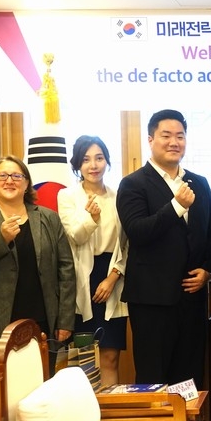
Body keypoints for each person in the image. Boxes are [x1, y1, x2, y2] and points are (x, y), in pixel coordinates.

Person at [116, 109, 211, 387]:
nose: (174, 142)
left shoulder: (199, 183)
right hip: (152, 300)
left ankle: (188, 418)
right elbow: (138, 232)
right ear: (151, 139)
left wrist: (208, 270)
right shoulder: (132, 184)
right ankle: (155, 419)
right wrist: (176, 206)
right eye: (166, 136)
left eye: (180, 136)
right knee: (153, 376)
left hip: (192, 298)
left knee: (190, 378)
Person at [57, 136, 128, 387]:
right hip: (80, 280)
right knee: (83, 359)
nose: (93, 165)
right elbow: (74, 236)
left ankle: (110, 408)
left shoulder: (119, 196)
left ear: (107, 161)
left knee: (110, 356)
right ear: (77, 164)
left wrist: (113, 277)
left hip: (112, 276)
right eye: (86, 159)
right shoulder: (67, 196)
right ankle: (87, 409)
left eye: (99, 158)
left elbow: (127, 243)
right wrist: (91, 218)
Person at [0, 155, 75, 350]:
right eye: (3, 175)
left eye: (16, 176)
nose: (9, 181)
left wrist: (65, 320)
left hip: (42, 319)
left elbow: (66, 269)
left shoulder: (49, 218)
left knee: (44, 370)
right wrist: (1, 240)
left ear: (26, 183)